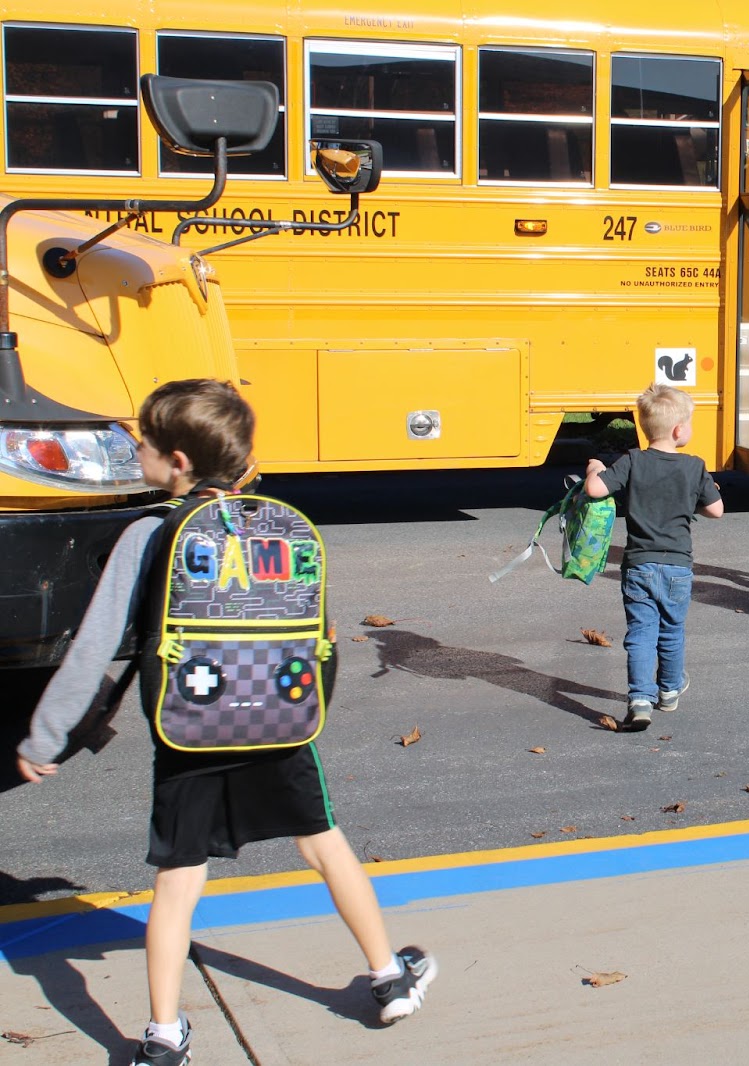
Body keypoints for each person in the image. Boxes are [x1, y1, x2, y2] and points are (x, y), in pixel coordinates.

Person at [13, 379, 437, 1066]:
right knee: (325, 845)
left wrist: (46, 735)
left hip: (191, 730)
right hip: (278, 723)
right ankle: (389, 977)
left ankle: (161, 1035)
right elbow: (315, 634)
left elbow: (92, 647)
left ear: (177, 462)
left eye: (143, 443)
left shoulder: (149, 534)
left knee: (178, 884)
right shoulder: (278, 523)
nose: (137, 451)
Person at [585, 383, 724, 730]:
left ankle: (640, 699)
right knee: (672, 631)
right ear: (679, 431)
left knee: (641, 633)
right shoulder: (694, 467)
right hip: (677, 567)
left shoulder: (632, 460)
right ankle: (669, 691)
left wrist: (593, 468)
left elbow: (594, 489)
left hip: (638, 566)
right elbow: (716, 510)